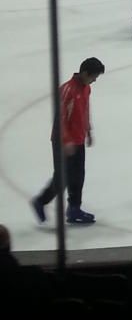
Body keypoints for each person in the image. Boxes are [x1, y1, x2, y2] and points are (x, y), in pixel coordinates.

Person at [31, 57, 106, 227]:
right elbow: (61, 119)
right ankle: (40, 201)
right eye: (93, 77)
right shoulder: (67, 90)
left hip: (78, 140)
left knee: (78, 176)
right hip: (62, 142)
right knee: (62, 178)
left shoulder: (86, 88)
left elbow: (85, 110)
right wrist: (66, 141)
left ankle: (74, 209)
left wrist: (88, 130)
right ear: (85, 73)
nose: (94, 81)